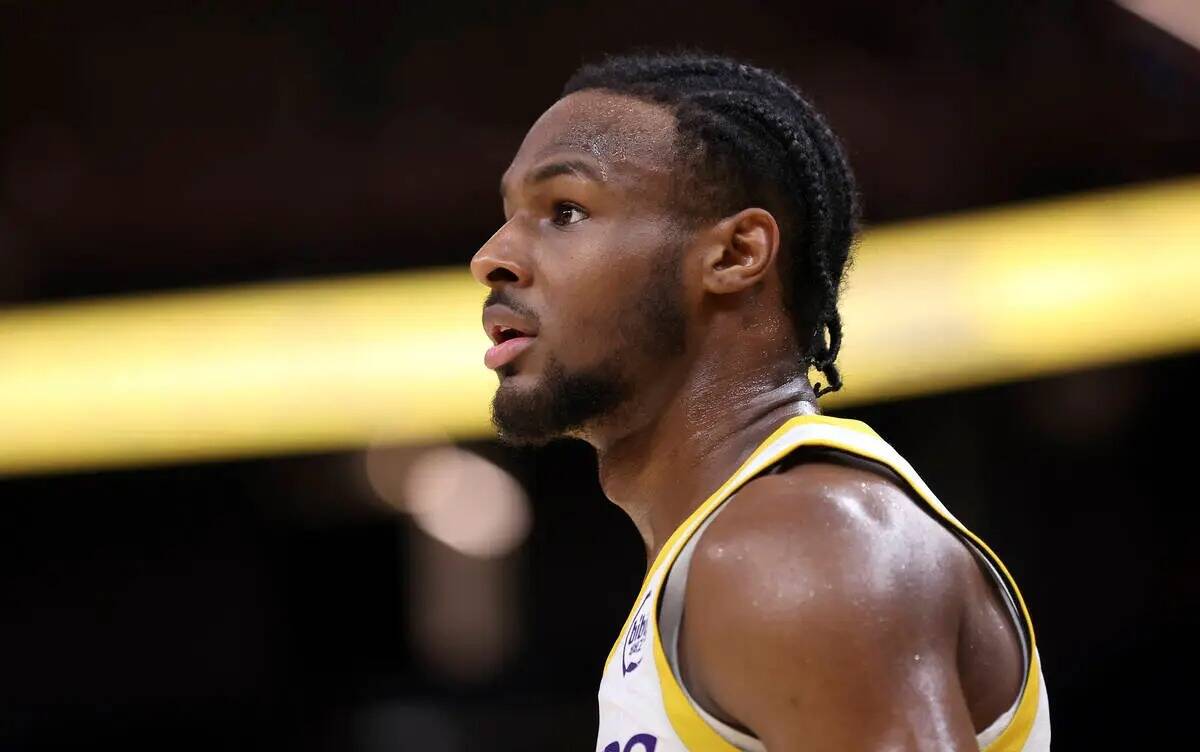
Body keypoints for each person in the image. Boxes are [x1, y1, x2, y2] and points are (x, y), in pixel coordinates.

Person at [470, 52, 1050, 752]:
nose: (493, 255)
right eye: (508, 216)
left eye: (564, 211)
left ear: (737, 253)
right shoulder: (740, 548)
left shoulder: (795, 547)